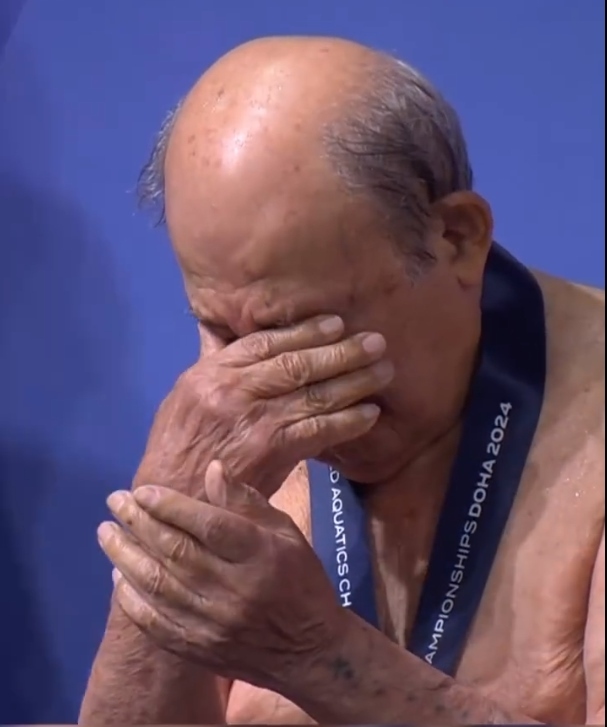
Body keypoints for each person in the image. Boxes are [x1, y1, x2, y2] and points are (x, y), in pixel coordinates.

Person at [78, 36, 604, 725]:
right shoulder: (221, 421)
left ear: (455, 239)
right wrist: (163, 538)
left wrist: (318, 655)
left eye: (305, 333)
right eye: (222, 332)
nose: (260, 385)